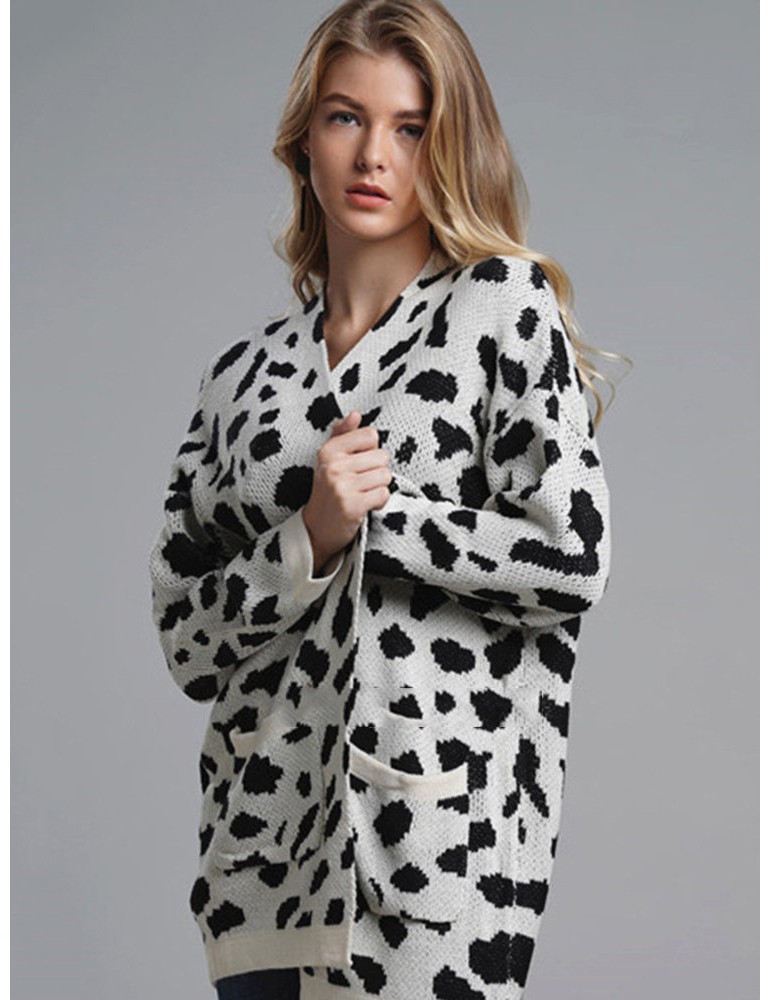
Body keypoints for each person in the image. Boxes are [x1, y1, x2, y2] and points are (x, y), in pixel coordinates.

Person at [148, 1, 628, 997]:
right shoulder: (238, 378)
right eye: (345, 117)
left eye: (410, 127)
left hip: (431, 867)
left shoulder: (499, 305)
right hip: (255, 868)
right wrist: (308, 538)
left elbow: (572, 556)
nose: (374, 155)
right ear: (304, 140)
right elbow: (186, 639)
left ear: (448, 145)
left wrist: (384, 519)